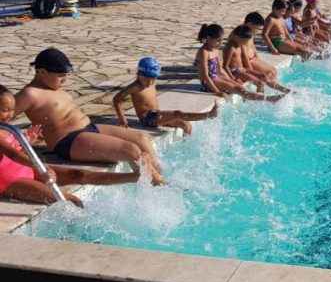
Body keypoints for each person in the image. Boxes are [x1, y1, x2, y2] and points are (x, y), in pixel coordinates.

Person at [14, 48, 164, 185]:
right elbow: (5, 115)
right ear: (41, 72)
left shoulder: (53, 86)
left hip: (89, 129)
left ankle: (160, 176)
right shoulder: (30, 94)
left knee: (141, 139)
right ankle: (158, 187)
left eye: (65, 75)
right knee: (131, 150)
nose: (64, 80)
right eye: (60, 76)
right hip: (68, 141)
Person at [1, 85, 140, 208]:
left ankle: (133, 178)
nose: (10, 114)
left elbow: (15, 150)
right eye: (4, 110)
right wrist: (42, 167)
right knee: (64, 198)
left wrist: (26, 141)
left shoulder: (6, 127)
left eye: (12, 110)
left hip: (27, 169)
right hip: (10, 180)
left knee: (79, 174)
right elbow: (13, 155)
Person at [113, 57, 219, 135]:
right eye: (147, 79)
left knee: (186, 125)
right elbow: (116, 99)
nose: (150, 82)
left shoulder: (150, 82)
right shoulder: (135, 87)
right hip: (148, 118)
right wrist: (122, 118)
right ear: (139, 74)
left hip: (157, 114)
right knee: (178, 114)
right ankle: (208, 115)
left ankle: (186, 149)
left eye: (153, 79)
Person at [195, 24, 283, 104]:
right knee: (240, 90)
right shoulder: (203, 52)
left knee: (239, 86)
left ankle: (261, 100)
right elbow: (205, 76)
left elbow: (220, 70)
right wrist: (217, 92)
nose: (220, 43)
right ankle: (269, 99)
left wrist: (230, 79)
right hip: (208, 83)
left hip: (217, 77)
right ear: (208, 38)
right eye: (218, 41)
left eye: (221, 40)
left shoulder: (215, 50)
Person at [223, 26, 290, 95]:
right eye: (244, 41)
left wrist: (250, 71)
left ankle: (285, 90)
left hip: (243, 69)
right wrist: (233, 78)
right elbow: (225, 66)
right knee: (260, 83)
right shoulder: (231, 48)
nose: (244, 44)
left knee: (264, 76)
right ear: (237, 37)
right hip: (236, 72)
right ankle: (262, 99)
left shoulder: (239, 45)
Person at [241, 12, 284, 89]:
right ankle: (278, 90)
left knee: (273, 70)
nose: (258, 31)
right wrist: (249, 68)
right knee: (268, 73)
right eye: (257, 28)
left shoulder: (249, 31)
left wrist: (257, 57)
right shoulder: (242, 34)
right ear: (250, 24)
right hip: (247, 61)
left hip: (253, 58)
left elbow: (252, 45)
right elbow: (242, 53)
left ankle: (275, 90)